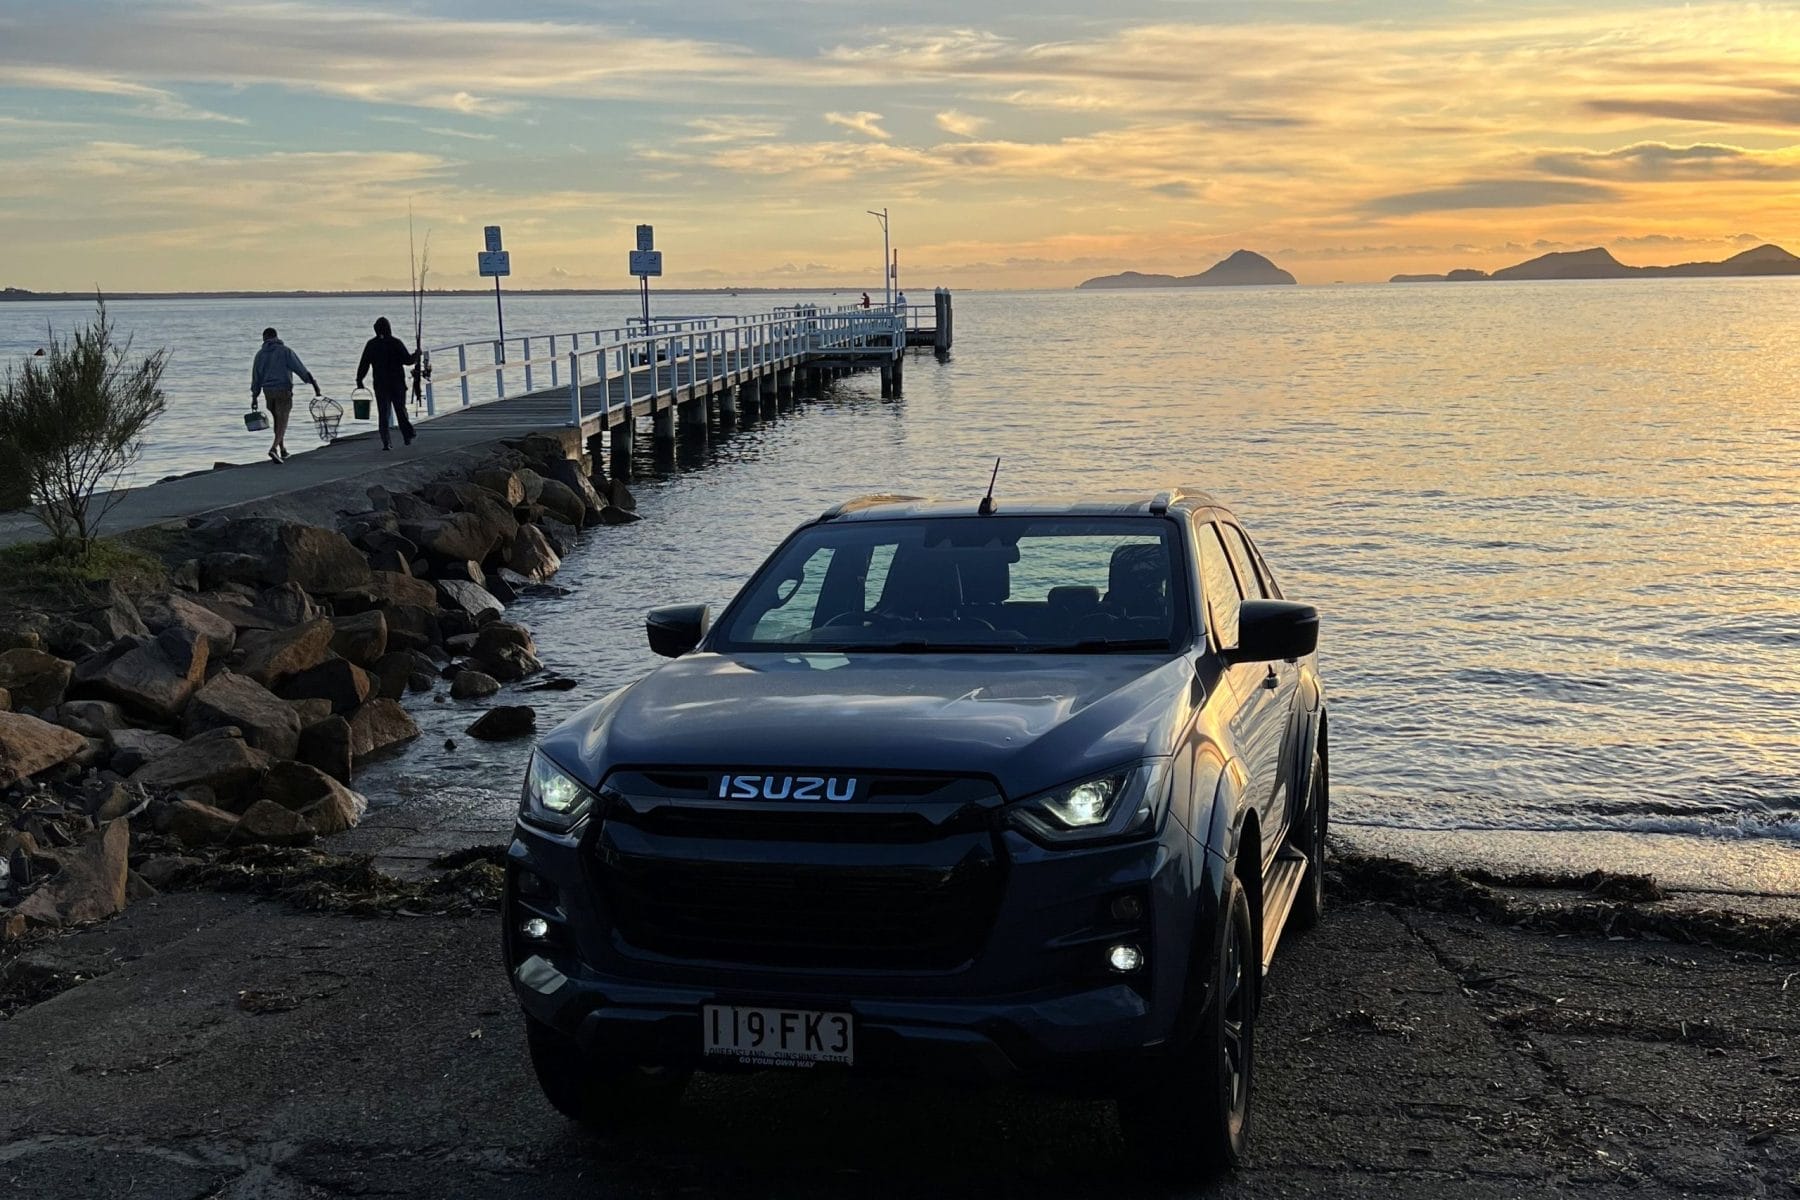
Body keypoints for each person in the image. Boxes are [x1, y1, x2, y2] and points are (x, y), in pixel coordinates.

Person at [250, 327, 319, 463]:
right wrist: (314, 384)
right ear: (276, 336)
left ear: (264, 338)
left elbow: (256, 377)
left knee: (277, 420)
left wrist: (254, 396)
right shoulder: (285, 351)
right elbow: (300, 369)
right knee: (283, 421)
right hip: (283, 390)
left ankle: (283, 450)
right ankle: (274, 448)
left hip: (268, 391)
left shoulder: (260, 355)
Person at [354, 317, 419, 451]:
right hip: (397, 384)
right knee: (400, 410)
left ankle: (386, 442)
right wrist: (416, 355)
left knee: (383, 413)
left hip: (381, 384)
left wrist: (359, 379)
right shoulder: (395, 343)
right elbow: (407, 360)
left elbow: (364, 364)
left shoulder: (371, 345)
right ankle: (407, 435)